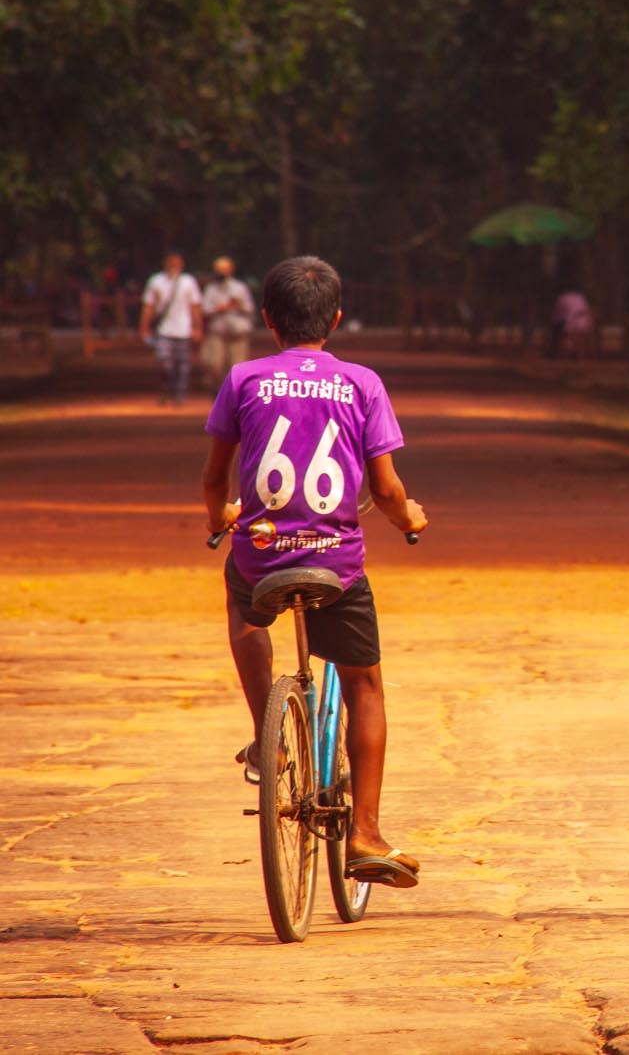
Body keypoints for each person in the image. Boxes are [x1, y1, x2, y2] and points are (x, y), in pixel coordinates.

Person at [202, 255, 429, 889]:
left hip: (263, 551)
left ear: (268, 320)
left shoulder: (244, 378)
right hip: (337, 562)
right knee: (365, 686)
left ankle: (265, 736)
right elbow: (384, 490)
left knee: (242, 600)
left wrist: (219, 516)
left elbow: (216, 475)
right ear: (335, 317)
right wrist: (408, 517)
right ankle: (366, 833)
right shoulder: (362, 383)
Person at [139, 251, 203, 405]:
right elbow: (148, 306)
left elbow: (195, 306)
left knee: (183, 366)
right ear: (165, 263)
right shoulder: (156, 281)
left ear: (182, 264)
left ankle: (180, 395)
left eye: (177, 262)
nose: (174, 265)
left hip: (184, 330)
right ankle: (166, 388)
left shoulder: (188, 282)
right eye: (171, 262)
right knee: (164, 362)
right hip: (163, 330)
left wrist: (197, 328)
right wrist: (144, 327)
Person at [200, 255, 256, 387]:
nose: (221, 272)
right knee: (214, 363)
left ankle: (233, 395)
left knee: (237, 366)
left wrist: (238, 305)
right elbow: (204, 310)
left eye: (224, 269)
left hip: (237, 331)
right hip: (217, 331)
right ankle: (218, 389)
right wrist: (219, 308)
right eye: (218, 269)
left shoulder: (240, 287)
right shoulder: (211, 289)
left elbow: (250, 308)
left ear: (231, 269)